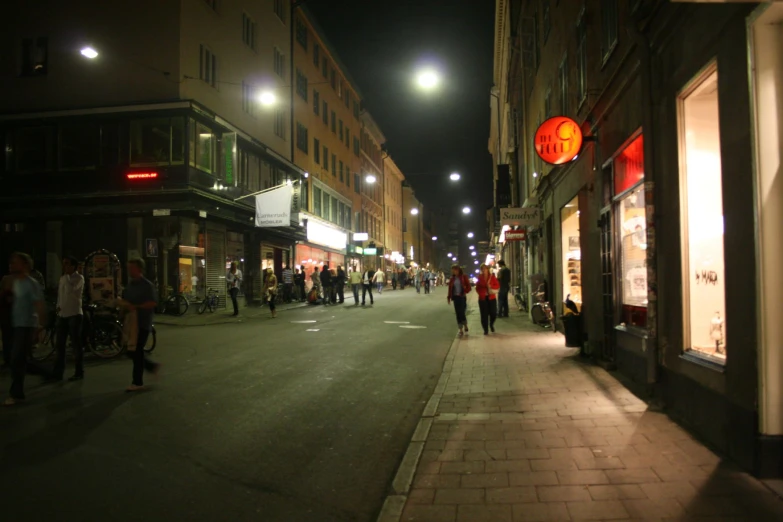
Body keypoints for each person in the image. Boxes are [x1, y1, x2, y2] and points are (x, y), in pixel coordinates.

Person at [4, 253, 46, 406]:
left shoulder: (31, 283)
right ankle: (47, 373)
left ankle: (16, 394)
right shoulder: (16, 283)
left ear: (25, 265)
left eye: (15, 263)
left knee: (16, 359)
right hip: (16, 325)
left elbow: (39, 305)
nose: (12, 265)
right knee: (19, 359)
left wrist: (40, 326)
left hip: (27, 325)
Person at [118, 259, 160, 392]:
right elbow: (126, 300)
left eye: (132, 268)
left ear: (139, 269)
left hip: (142, 323)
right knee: (132, 351)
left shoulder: (147, 286)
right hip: (130, 323)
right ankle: (150, 366)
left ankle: (137, 382)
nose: (129, 271)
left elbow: (153, 303)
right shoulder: (130, 285)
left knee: (136, 350)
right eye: (128, 268)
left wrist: (136, 307)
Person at [52, 256, 85, 381]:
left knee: (76, 344)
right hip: (62, 315)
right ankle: (58, 372)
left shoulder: (79, 278)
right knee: (60, 345)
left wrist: (66, 277)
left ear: (73, 266)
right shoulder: (62, 278)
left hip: (74, 314)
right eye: (64, 264)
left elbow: (71, 289)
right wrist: (58, 307)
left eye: (67, 264)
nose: (64, 266)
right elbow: (61, 295)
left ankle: (79, 371)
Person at [447, 264, 471, 338]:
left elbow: (469, 287)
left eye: (454, 270)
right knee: (458, 313)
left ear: (458, 270)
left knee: (462, 312)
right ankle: (460, 329)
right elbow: (450, 289)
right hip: (455, 298)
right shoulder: (452, 279)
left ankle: (465, 325)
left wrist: (465, 290)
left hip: (462, 297)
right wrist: (449, 297)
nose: (453, 271)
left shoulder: (463, 277)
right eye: (452, 270)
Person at [476, 263, 500, 335]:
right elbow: (477, 288)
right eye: (482, 269)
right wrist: (481, 293)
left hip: (491, 297)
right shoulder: (480, 278)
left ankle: (491, 324)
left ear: (487, 269)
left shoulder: (492, 277)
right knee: (484, 315)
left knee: (493, 313)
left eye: (485, 268)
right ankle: (485, 329)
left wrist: (490, 286)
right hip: (483, 298)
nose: (483, 270)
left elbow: (497, 285)